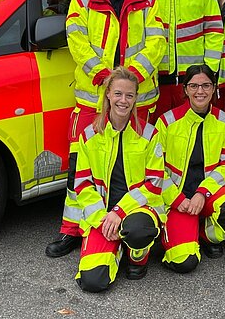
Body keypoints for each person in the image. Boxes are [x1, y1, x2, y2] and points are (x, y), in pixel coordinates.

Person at [45, 0, 165, 258]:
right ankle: (72, 230)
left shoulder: (149, 3)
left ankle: (140, 224)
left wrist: (129, 80)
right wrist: (105, 77)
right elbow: (77, 43)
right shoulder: (82, 1)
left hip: (135, 101)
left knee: (136, 167)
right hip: (93, 100)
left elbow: (157, 45)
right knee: (80, 169)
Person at [73, 67, 165, 292]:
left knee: (138, 231)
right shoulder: (89, 135)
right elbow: (82, 184)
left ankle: (137, 257)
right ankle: (116, 248)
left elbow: (154, 183)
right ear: (108, 95)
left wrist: (119, 212)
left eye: (129, 95)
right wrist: (103, 219)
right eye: (118, 94)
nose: (123, 100)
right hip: (103, 216)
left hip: (138, 210)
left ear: (135, 99)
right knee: (92, 282)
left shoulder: (149, 134)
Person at [155, 64, 225, 272]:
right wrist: (177, 199)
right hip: (178, 199)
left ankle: (207, 235)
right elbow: (155, 170)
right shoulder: (167, 121)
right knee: (184, 263)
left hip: (209, 194)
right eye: (194, 86)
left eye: (206, 85)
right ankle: (185, 231)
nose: (200, 91)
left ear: (214, 87)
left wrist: (202, 192)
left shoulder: (224, 121)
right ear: (185, 89)